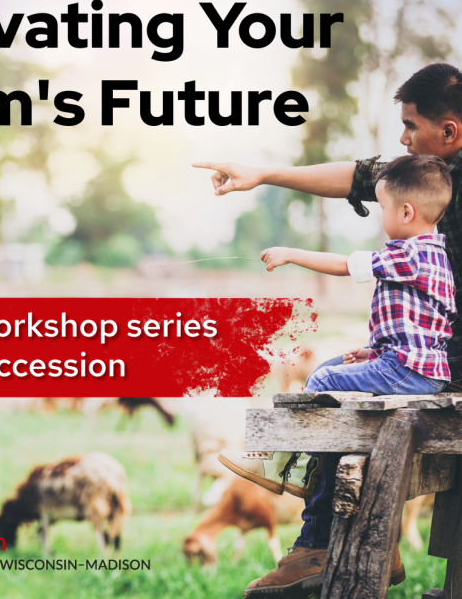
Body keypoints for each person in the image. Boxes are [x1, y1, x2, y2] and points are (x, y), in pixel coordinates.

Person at [192, 62, 462, 597]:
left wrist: (293, 253)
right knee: (341, 375)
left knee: (329, 392)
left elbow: (351, 260)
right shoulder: (431, 181)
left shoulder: (425, 202)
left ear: (449, 131)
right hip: (429, 354)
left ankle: (319, 536)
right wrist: (263, 174)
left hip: (437, 366)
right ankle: (339, 538)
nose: (403, 139)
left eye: (411, 127)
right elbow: (363, 176)